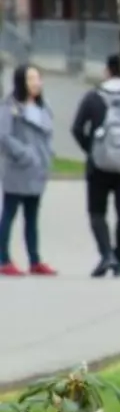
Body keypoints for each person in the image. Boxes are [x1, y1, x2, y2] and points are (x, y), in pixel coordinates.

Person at [71, 52, 120, 277]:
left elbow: (77, 128)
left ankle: (107, 254)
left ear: (107, 70)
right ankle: (119, 257)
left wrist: (91, 150)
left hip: (98, 167)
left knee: (97, 212)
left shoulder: (94, 97)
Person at [1, 63, 55, 277]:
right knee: (9, 214)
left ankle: (35, 259)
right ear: (21, 82)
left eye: (38, 78)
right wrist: (24, 154)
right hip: (18, 169)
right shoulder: (10, 106)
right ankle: (3, 258)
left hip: (38, 170)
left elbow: (47, 134)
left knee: (32, 217)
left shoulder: (44, 106)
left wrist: (47, 155)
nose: (36, 83)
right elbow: (4, 136)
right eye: (30, 79)